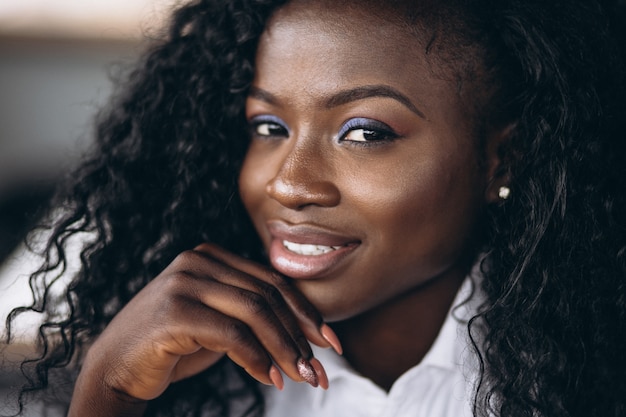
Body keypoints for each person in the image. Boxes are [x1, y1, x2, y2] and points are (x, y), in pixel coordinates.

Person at [4, 0, 626, 416]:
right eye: (270, 126)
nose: (291, 185)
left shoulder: (587, 370)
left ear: (503, 160)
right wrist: (108, 391)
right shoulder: (198, 378)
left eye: (364, 133)